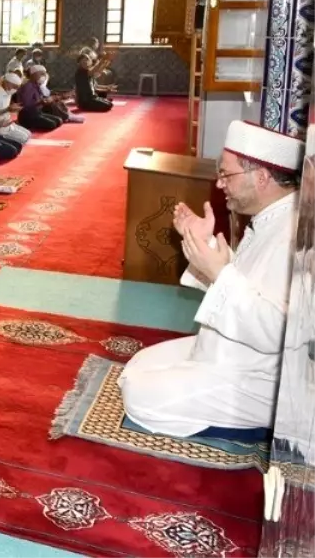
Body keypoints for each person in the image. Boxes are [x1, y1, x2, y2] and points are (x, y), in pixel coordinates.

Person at [119, 121, 302, 437]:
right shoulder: (273, 216)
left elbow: (278, 331)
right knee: (137, 366)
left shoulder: (293, 233)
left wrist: (218, 271)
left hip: (258, 376)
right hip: (228, 350)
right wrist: (206, 246)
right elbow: (247, 279)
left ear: (261, 177)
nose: (220, 184)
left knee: (140, 395)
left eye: (227, 174)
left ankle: (258, 427)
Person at [16, 66, 64, 132]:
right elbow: (26, 105)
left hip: (37, 112)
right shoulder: (28, 86)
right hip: (28, 115)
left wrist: (50, 99)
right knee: (52, 124)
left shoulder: (37, 85)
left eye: (44, 74)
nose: (43, 76)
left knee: (59, 120)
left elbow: (41, 98)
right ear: (33, 74)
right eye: (41, 74)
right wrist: (41, 102)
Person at [0, 74, 31, 144]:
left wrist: (12, 109)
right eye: (14, 87)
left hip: (8, 123)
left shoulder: (8, 92)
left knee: (29, 134)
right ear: (6, 83)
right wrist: (7, 109)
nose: (15, 90)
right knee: (24, 139)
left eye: (17, 88)